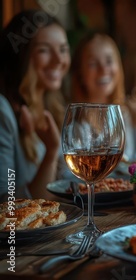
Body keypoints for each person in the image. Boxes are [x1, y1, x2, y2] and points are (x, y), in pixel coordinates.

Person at [0, 10, 70, 201]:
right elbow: (7, 204)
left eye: (63, 49)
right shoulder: (3, 111)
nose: (58, 60)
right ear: (20, 56)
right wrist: (51, 151)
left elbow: (66, 182)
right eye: (44, 50)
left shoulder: (52, 107)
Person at [70, 32, 136, 165]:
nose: (103, 70)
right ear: (80, 74)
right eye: (92, 63)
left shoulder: (124, 112)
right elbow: (65, 176)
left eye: (109, 61)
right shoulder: (73, 121)